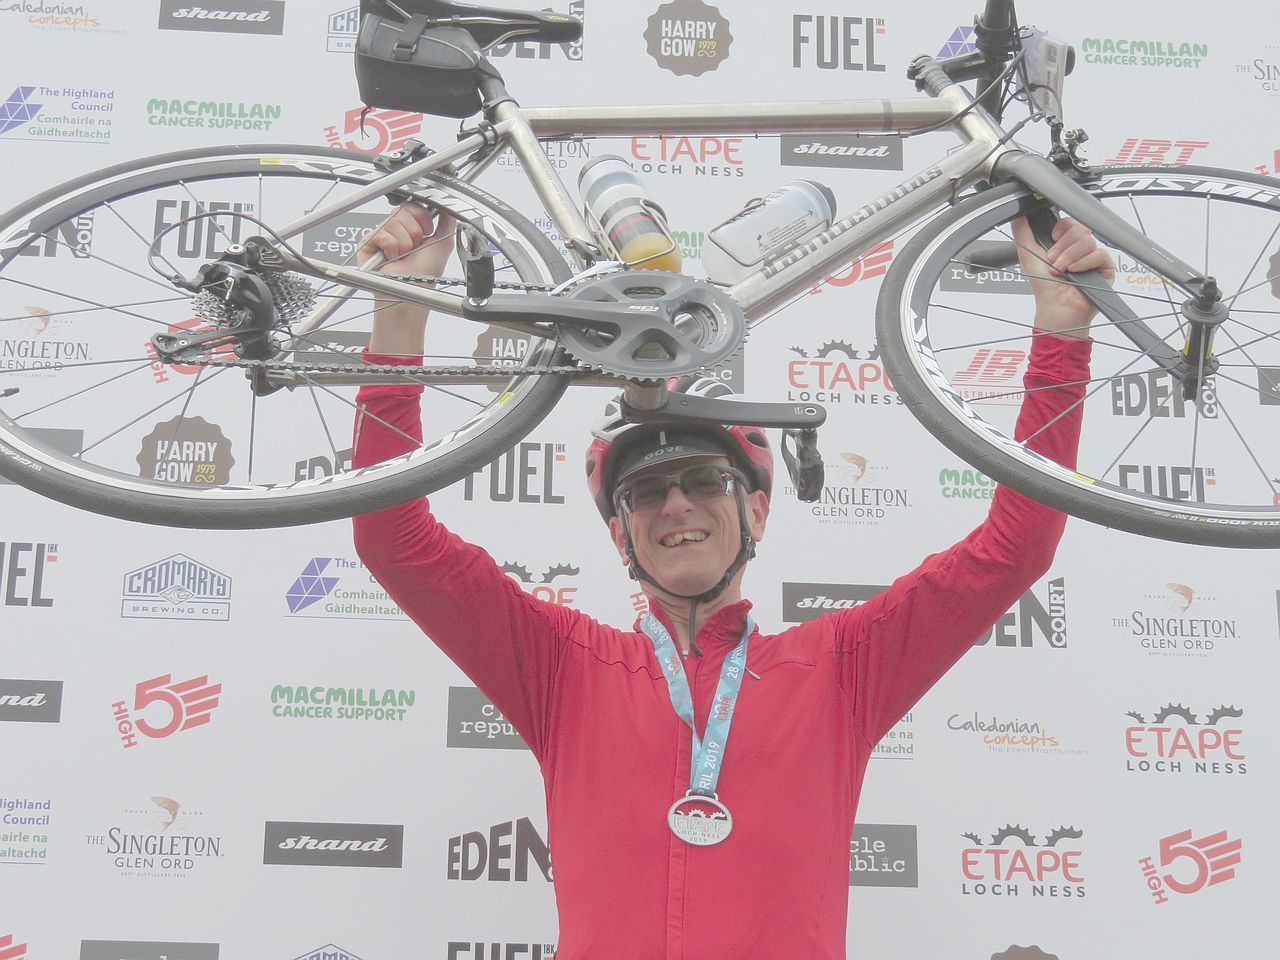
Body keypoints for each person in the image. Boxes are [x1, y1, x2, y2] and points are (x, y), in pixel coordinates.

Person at [352, 203, 1111, 959]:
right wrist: (399, 319)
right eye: (646, 492)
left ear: (756, 510)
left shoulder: (842, 668)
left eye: (705, 481)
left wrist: (1062, 332)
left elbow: (1016, 546)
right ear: (619, 534)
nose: (677, 505)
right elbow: (393, 537)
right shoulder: (563, 668)